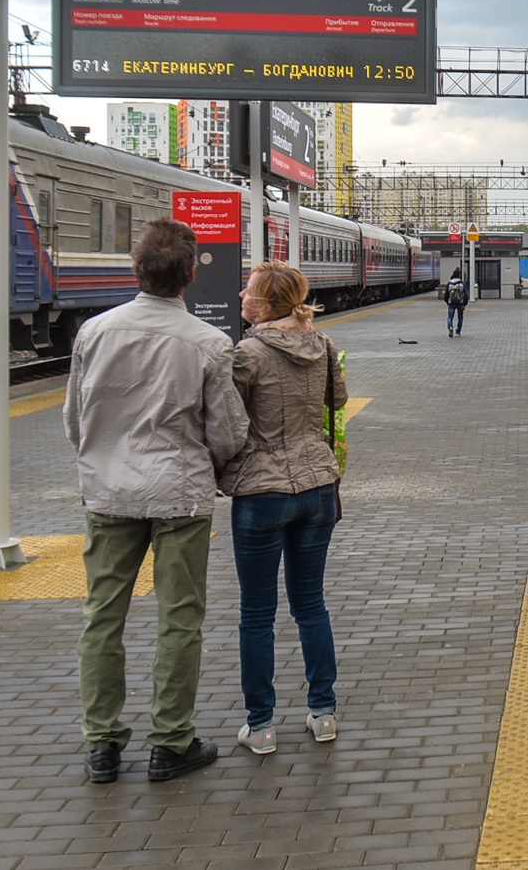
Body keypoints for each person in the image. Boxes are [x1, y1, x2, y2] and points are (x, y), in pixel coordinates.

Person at [67, 217, 248, 785]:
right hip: (180, 496)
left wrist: (102, 458)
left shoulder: (93, 333)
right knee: (179, 619)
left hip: (108, 493)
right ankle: (171, 742)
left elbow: (75, 418)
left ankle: (101, 744)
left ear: (135, 269)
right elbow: (228, 432)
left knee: (102, 617)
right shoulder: (211, 344)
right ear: (191, 274)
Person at [220, 262, 348, 756]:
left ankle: (261, 725)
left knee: (256, 613)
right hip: (317, 484)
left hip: (261, 490)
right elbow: (336, 401)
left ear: (266, 304)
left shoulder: (246, 354)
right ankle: (323, 713)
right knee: (310, 603)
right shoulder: (324, 346)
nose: (241, 293)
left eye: (248, 290)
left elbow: (230, 423)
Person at [444, 268, 468, 336]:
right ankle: (458, 331)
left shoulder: (449, 284)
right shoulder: (462, 284)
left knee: (450, 317)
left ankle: (450, 327)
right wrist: (465, 304)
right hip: (460, 303)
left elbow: (446, 295)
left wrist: (447, 302)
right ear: (459, 275)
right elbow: (466, 295)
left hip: (451, 303)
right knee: (460, 318)